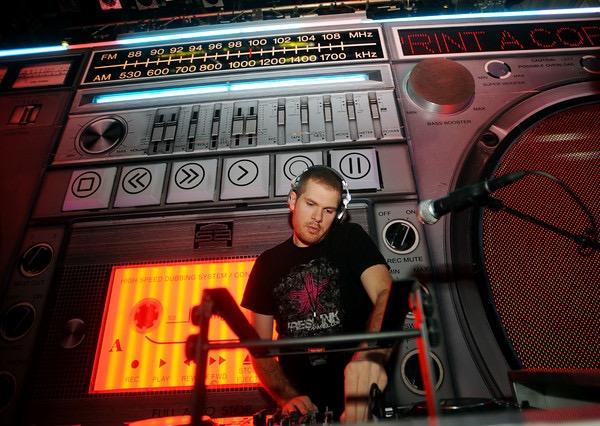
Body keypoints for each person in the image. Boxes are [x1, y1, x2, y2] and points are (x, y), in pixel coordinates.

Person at [241, 165, 392, 423]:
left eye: (328, 210)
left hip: (359, 398)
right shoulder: (267, 264)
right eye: (311, 204)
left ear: (338, 214)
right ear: (292, 201)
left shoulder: (351, 238)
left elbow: (386, 294)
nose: (317, 218)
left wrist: (370, 358)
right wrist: (287, 397)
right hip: (301, 408)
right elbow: (260, 348)